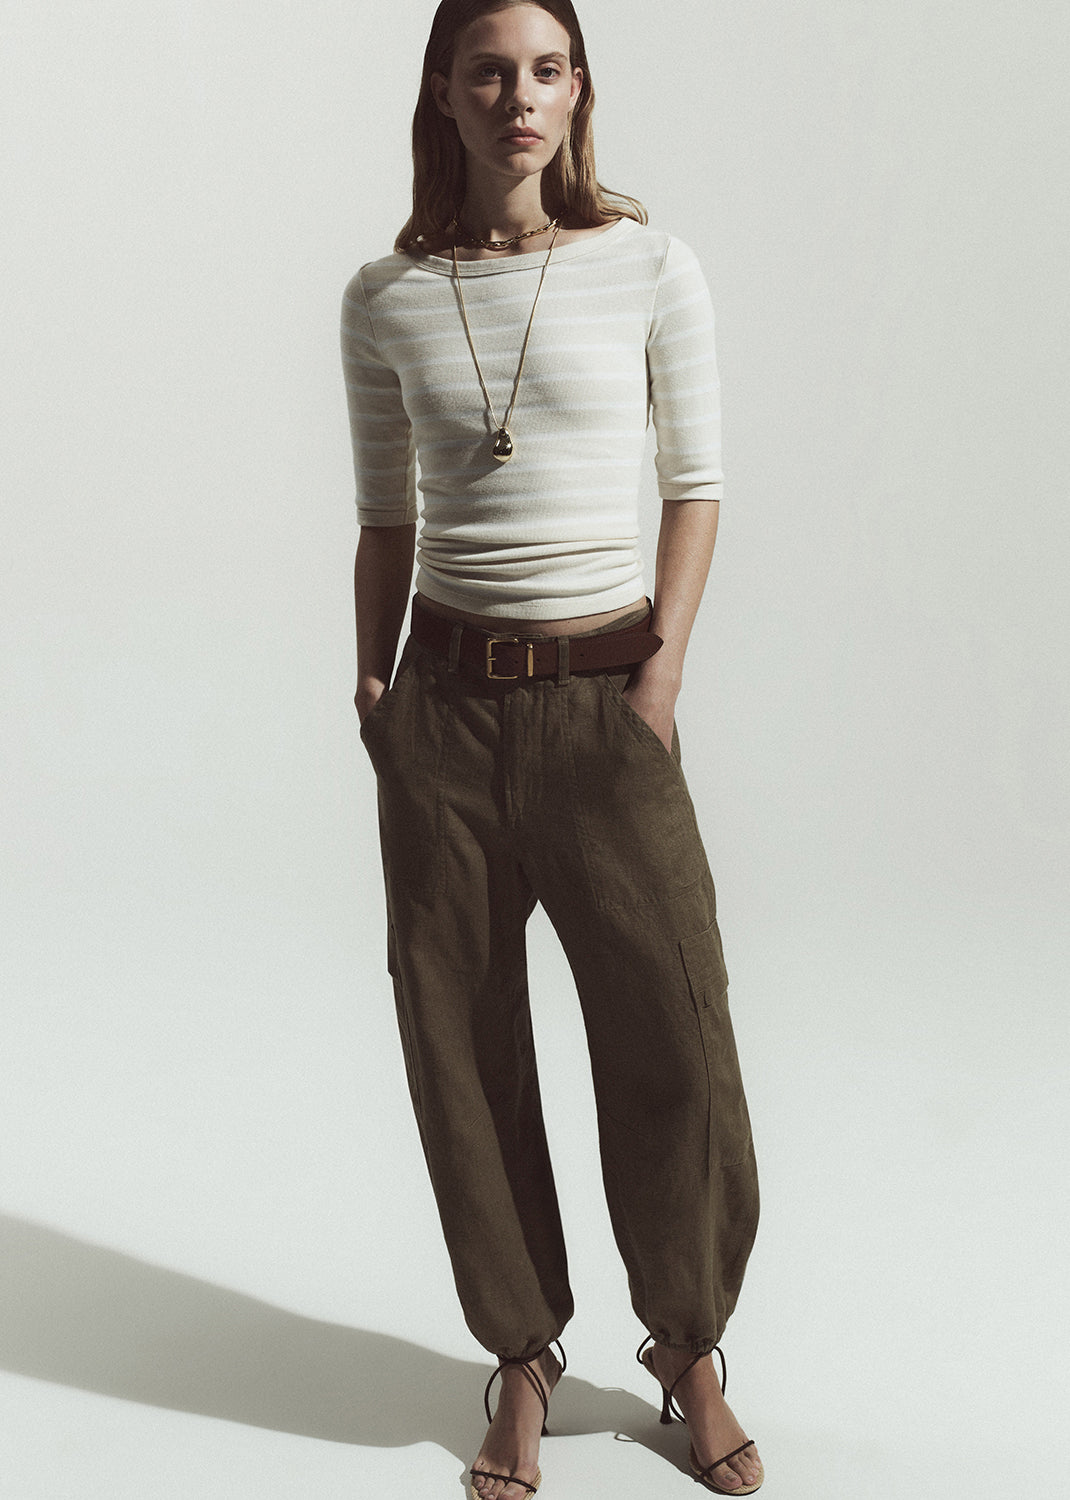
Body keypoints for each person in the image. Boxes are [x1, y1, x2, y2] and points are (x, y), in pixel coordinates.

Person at [340, 2, 762, 1495]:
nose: (518, 97)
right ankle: (518, 1354)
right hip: (441, 711)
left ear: (577, 93)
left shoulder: (649, 265)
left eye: (545, 70)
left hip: (604, 706)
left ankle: (687, 1349)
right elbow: (387, 517)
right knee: (458, 1043)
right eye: (487, 71)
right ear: (443, 95)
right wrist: (375, 694)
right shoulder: (385, 295)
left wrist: (655, 686)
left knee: (673, 1033)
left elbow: (697, 486)